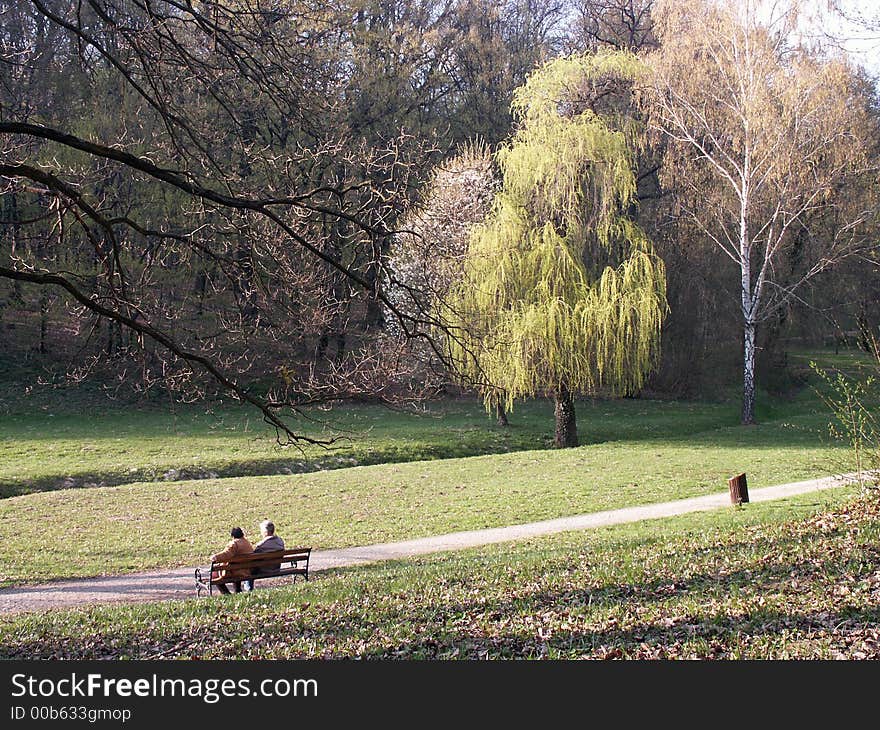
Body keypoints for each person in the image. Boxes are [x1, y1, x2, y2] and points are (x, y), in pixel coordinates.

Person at [242, 519, 285, 592]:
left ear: (265, 532)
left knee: (248, 569)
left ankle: (248, 589)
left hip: (264, 570)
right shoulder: (280, 541)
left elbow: (253, 558)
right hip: (276, 568)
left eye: (261, 530)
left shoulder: (262, 545)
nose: (261, 532)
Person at [210, 526, 254, 594]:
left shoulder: (234, 544)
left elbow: (227, 554)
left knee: (214, 575)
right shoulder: (247, 543)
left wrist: (215, 557)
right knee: (236, 566)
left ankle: (226, 594)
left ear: (233, 536)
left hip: (236, 572)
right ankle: (237, 590)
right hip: (246, 570)